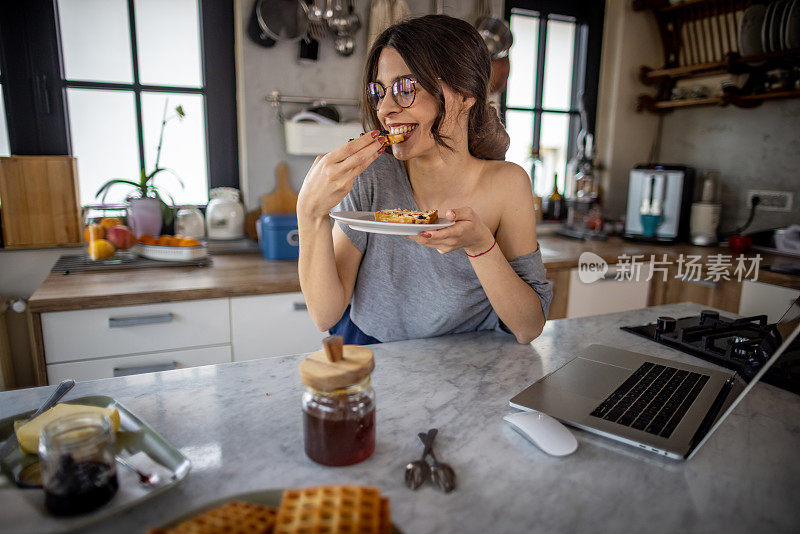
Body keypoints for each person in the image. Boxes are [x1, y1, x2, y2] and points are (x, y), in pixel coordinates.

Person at [297, 14, 552, 345]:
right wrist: (310, 213)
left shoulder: (508, 184)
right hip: (372, 353)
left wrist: (480, 245)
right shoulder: (371, 176)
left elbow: (529, 327)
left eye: (405, 88)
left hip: (464, 365)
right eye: (379, 91)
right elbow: (324, 315)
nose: (385, 109)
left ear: (465, 93)